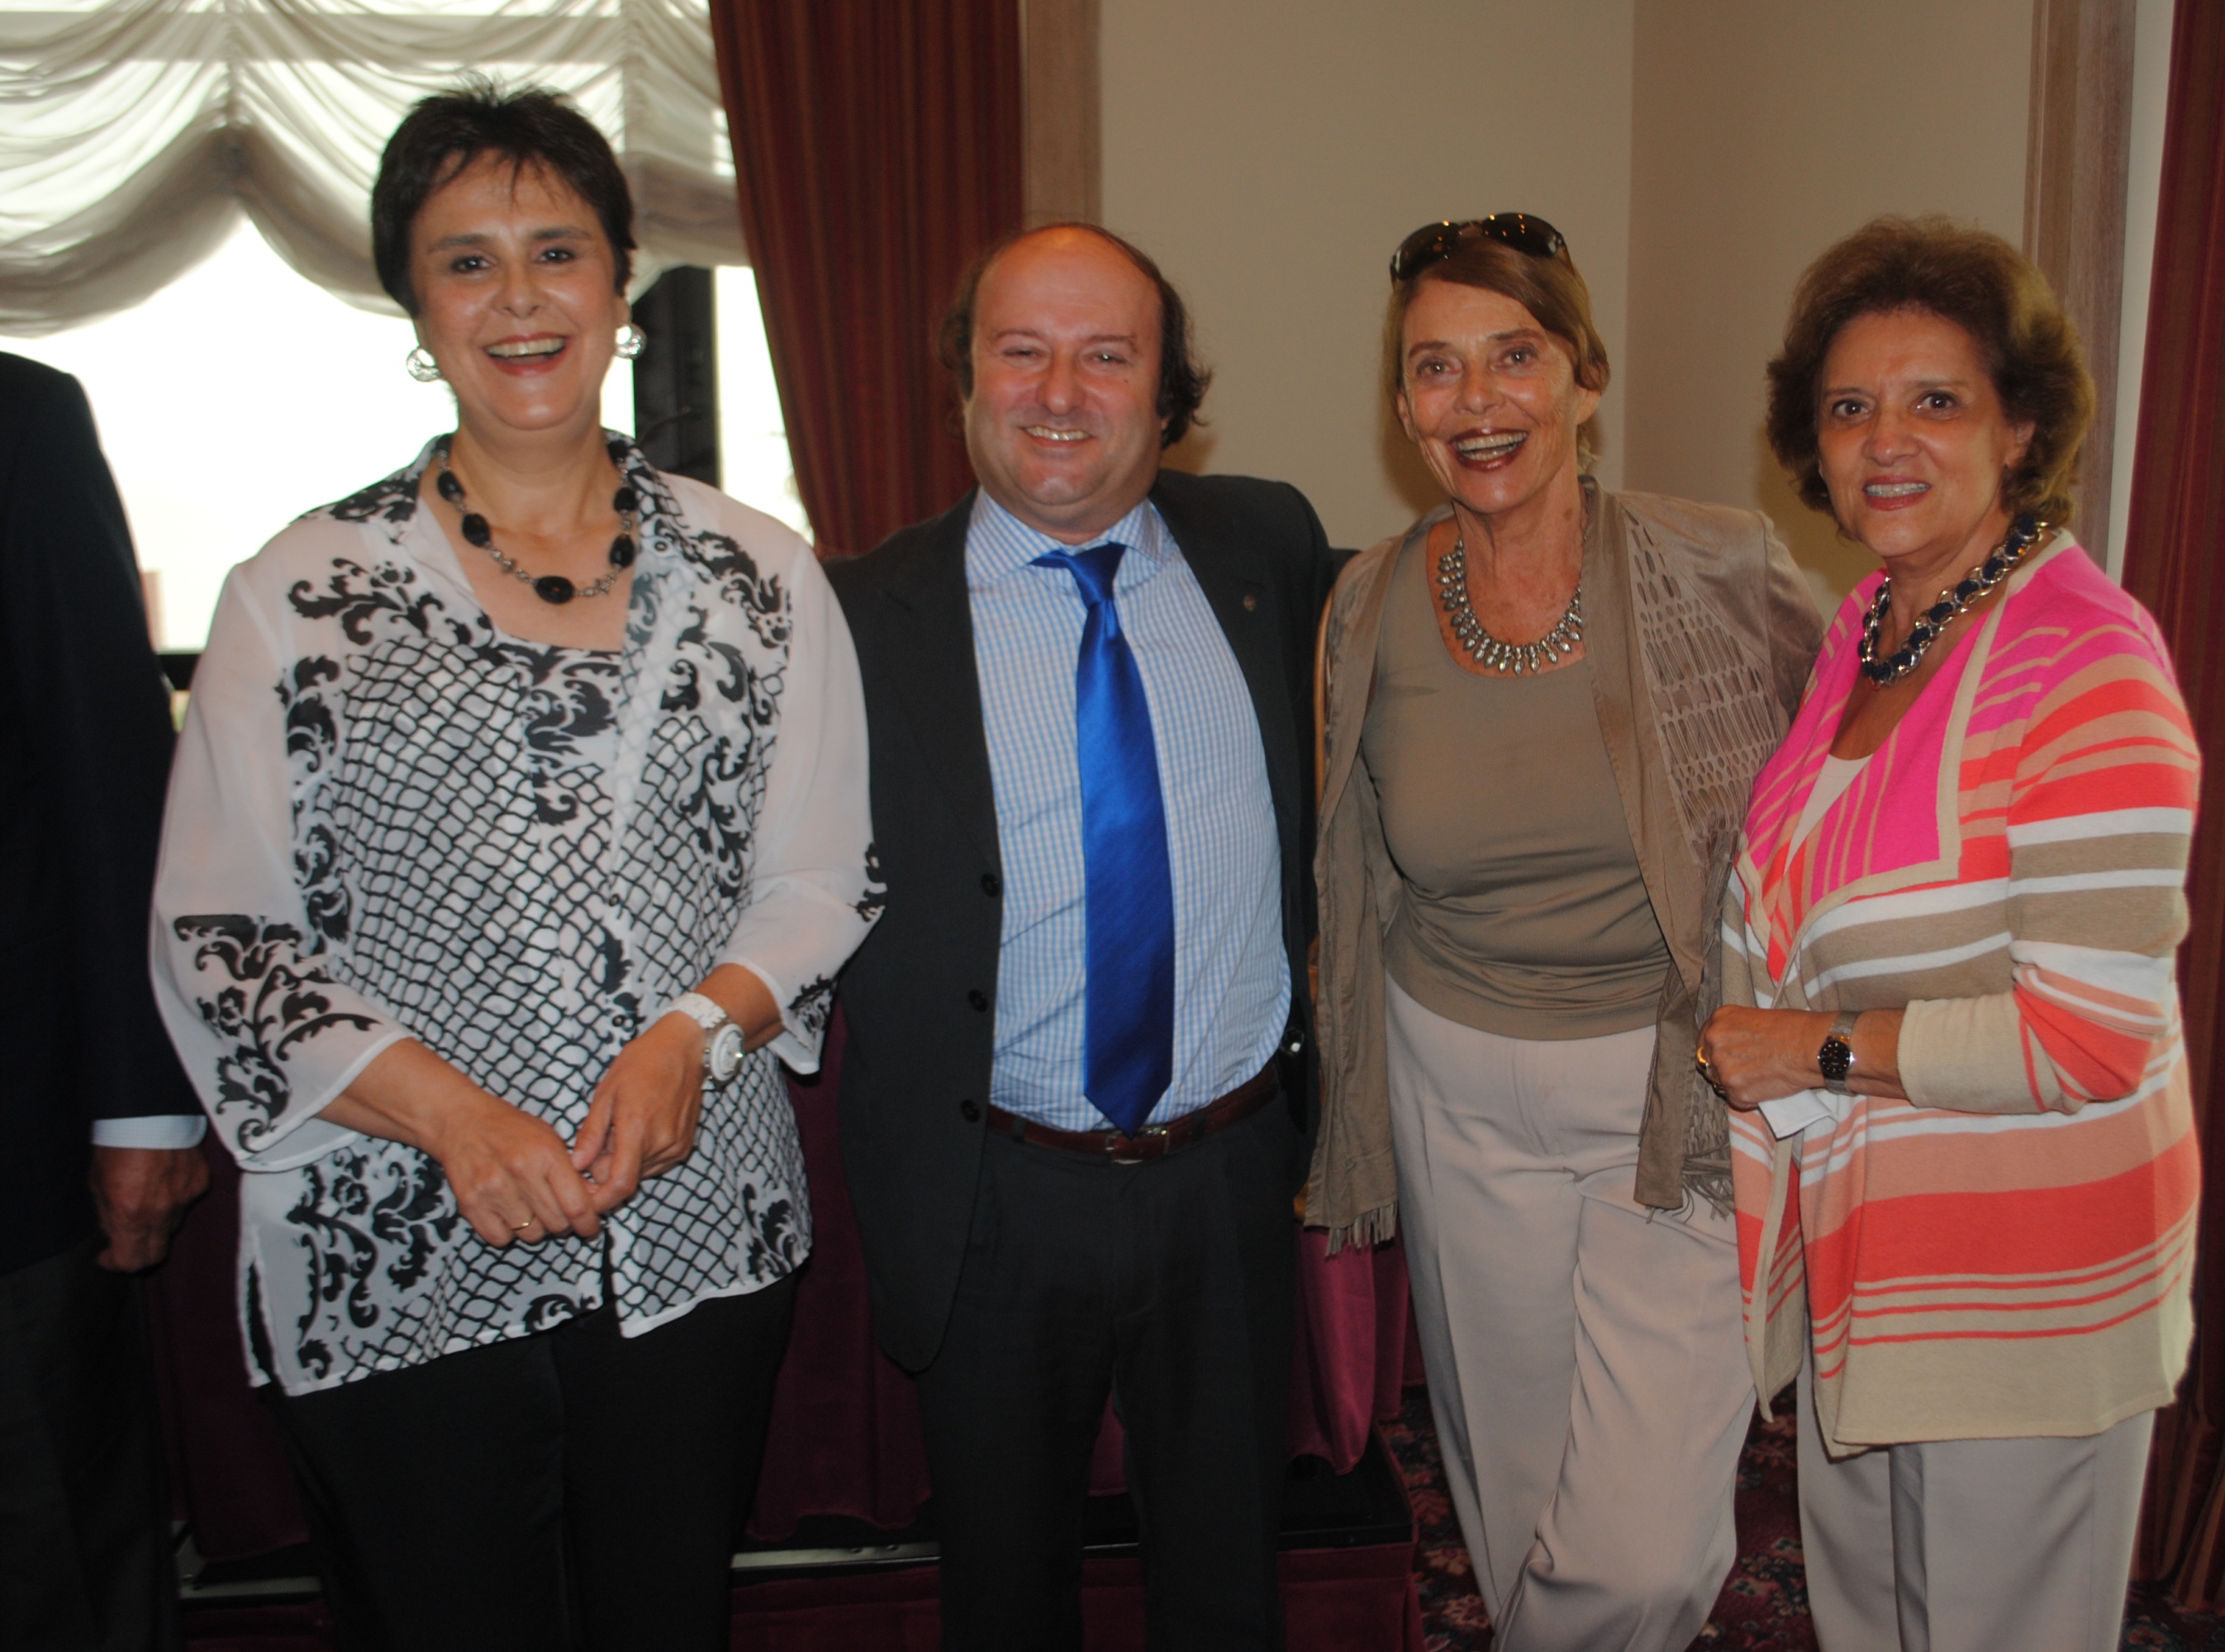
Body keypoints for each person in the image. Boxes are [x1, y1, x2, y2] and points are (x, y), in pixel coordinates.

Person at [149, 87, 880, 1651]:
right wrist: (455, 1118)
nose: (520, 297)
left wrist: (699, 1030)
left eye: (557, 251)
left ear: (622, 279)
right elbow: (222, 938)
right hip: (395, 1226)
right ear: (416, 307)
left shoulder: (763, 572)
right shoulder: (297, 592)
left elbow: (823, 875)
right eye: (466, 262)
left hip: (692, 1225)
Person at [1304, 215, 1823, 1647]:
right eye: (1435, 370)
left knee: (1642, 1550)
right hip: (1453, 1090)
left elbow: (1861, 750)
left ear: (1585, 378)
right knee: (1518, 1501)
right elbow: (1354, 862)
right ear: (1403, 406)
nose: (1478, 404)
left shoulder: (1719, 566)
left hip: (1677, 1092)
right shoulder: (1369, 603)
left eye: (1514, 358)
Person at [826, 222, 1336, 1650]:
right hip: (992, 1196)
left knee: (1231, 1593)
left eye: (1107, 356)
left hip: (1228, 1179)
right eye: (1023, 350)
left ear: (1169, 397)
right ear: (964, 381)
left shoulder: (1269, 549)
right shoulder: (856, 615)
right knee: (1003, 1599)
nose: (1062, 391)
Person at [1700, 216, 2201, 1652]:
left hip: (2022, 1291)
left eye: (1938, 400)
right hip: (1880, 1266)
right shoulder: (1873, 625)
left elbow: (2094, 1040)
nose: (1886, 442)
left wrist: (1810, 1047)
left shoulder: (2087, 664)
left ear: (2020, 427)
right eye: (1851, 407)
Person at [0, 352, 208, 1650]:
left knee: (49, 1568)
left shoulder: (18, 422)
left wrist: (143, 1107)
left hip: (6, 1156)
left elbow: (106, 763)